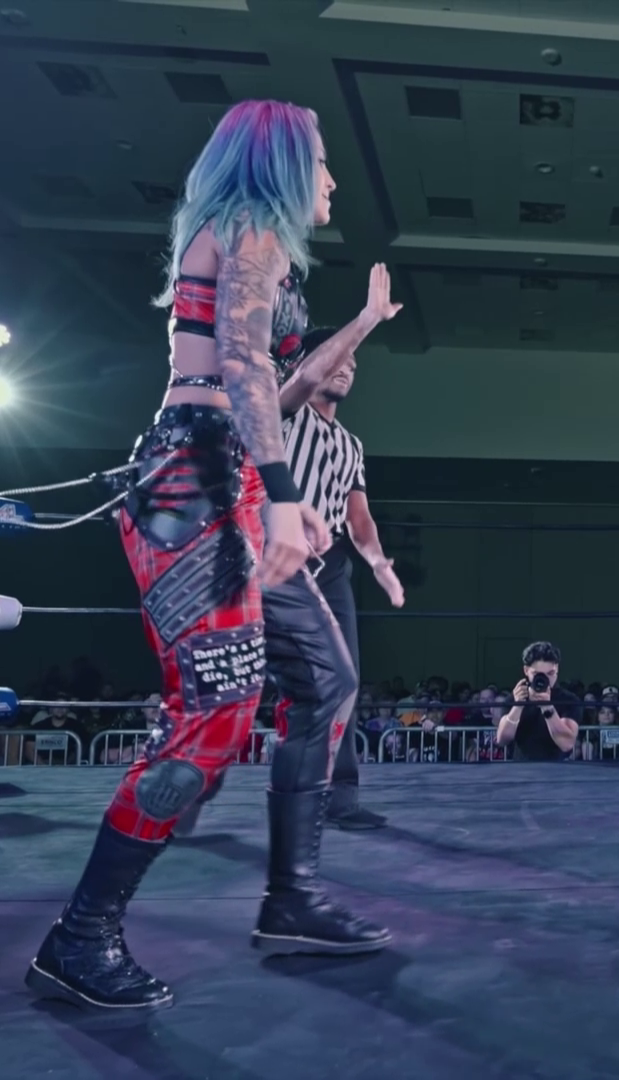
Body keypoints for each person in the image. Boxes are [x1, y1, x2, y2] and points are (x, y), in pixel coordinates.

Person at [26, 100, 388, 1013]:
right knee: (217, 714)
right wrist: (287, 497)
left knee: (327, 679)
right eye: (322, 160)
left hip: (233, 478)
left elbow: (278, 385)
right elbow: (240, 365)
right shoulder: (251, 225)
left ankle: (292, 898)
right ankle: (79, 938)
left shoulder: (256, 244)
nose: (332, 179)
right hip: (193, 483)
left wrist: (275, 485)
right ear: (282, 163)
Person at [176, 286, 405, 836]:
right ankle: (188, 790)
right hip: (263, 558)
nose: (347, 368)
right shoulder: (282, 413)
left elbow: (359, 518)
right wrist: (366, 319)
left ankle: (338, 797)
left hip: (330, 570)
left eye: (354, 365)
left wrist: (378, 563)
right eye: (339, 358)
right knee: (232, 680)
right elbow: (303, 379)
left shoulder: (351, 445)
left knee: (342, 682)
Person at [493, 642, 581, 761]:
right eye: (537, 674)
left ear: (557, 669)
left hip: (557, 768)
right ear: (526, 670)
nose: (544, 679)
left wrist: (548, 708)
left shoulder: (569, 700)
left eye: (550, 673)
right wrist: (518, 706)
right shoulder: (514, 698)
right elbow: (502, 740)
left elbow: (566, 744)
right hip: (522, 768)